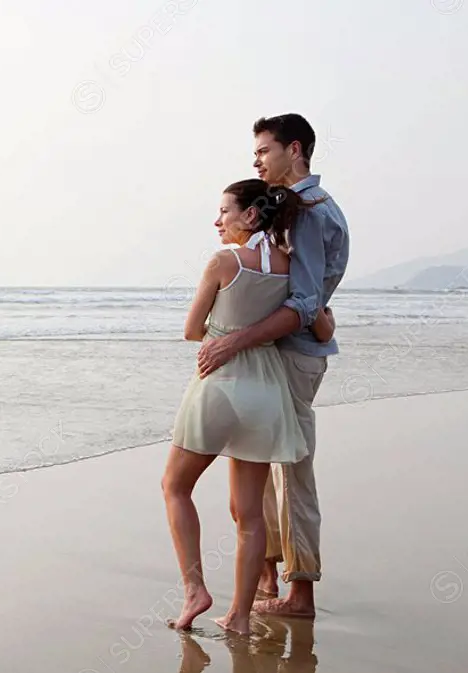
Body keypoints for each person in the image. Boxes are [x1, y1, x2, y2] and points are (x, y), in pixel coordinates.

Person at [161, 178, 335, 635]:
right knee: (249, 513)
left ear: (251, 215)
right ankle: (239, 617)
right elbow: (319, 324)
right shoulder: (289, 266)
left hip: (218, 387)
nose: (217, 220)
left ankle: (195, 589)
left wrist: (224, 334)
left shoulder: (222, 261)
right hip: (265, 393)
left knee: (175, 487)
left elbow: (191, 329)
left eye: (224, 211)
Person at [196, 114, 350, 619]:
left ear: (296, 149)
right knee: (257, 463)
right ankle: (266, 575)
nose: (257, 160)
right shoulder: (295, 208)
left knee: (292, 470)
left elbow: (305, 302)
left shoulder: (310, 211)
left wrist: (233, 340)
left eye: (264, 150)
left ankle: (300, 592)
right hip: (284, 352)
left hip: (294, 354)